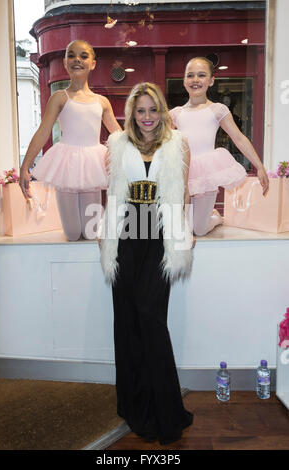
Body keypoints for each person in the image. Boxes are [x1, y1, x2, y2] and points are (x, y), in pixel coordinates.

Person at [99, 82, 194, 445]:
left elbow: (182, 191)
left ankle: (165, 411)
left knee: (151, 317)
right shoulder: (117, 145)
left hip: (159, 232)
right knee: (127, 320)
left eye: (153, 109)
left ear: (162, 111)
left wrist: (185, 231)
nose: (148, 117)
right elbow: (112, 192)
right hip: (125, 233)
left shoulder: (177, 143)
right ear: (131, 114)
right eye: (141, 110)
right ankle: (135, 405)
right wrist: (103, 232)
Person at [19, 40, 121, 241]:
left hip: (93, 164)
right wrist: (25, 167)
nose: (77, 60)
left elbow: (119, 136)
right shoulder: (59, 97)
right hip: (67, 165)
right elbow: (43, 132)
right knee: (73, 234)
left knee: (91, 233)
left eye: (84, 56)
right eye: (72, 55)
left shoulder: (102, 102)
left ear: (93, 63)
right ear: (65, 62)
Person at [169, 56, 269, 236]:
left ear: (211, 80)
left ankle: (215, 217)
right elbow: (162, 144)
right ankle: (201, 217)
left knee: (198, 230)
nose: (195, 80)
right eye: (190, 75)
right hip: (182, 173)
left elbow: (238, 138)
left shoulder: (217, 109)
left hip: (206, 172)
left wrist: (259, 166)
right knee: (180, 229)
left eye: (201, 75)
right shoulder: (176, 114)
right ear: (184, 80)